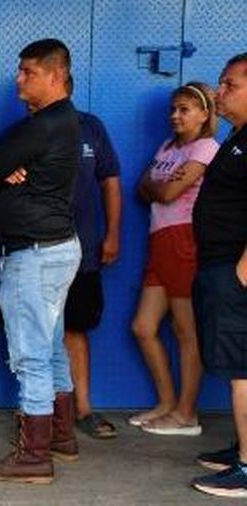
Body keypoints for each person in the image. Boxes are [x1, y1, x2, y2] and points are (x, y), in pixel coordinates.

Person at [0, 39, 81, 484]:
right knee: (51, 345)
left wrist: (3, 171)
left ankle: (34, 455)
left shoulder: (41, 126)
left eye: (27, 72)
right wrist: (5, 171)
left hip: (34, 253)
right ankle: (62, 436)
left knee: (31, 355)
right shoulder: (64, 122)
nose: (19, 79)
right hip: (55, 248)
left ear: (54, 76)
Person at [129, 81, 219, 436]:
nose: (175, 116)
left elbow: (167, 191)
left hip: (185, 240)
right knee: (143, 327)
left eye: (184, 109)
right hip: (159, 241)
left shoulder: (207, 147)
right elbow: (141, 189)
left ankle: (187, 414)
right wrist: (156, 188)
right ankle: (167, 403)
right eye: (173, 109)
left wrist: (156, 187)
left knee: (186, 331)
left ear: (203, 113)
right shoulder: (168, 147)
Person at [190, 53, 247, 498]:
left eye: (229, 85)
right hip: (219, 266)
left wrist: (243, 272)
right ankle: (244, 448)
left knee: (243, 369)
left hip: (235, 271)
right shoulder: (237, 137)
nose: (218, 92)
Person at [63, 80, 124, 439]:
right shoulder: (25, 133)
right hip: (37, 253)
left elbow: (110, 183)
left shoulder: (91, 127)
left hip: (83, 250)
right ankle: (41, 413)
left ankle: (83, 408)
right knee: (36, 335)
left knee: (75, 328)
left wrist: (113, 233)